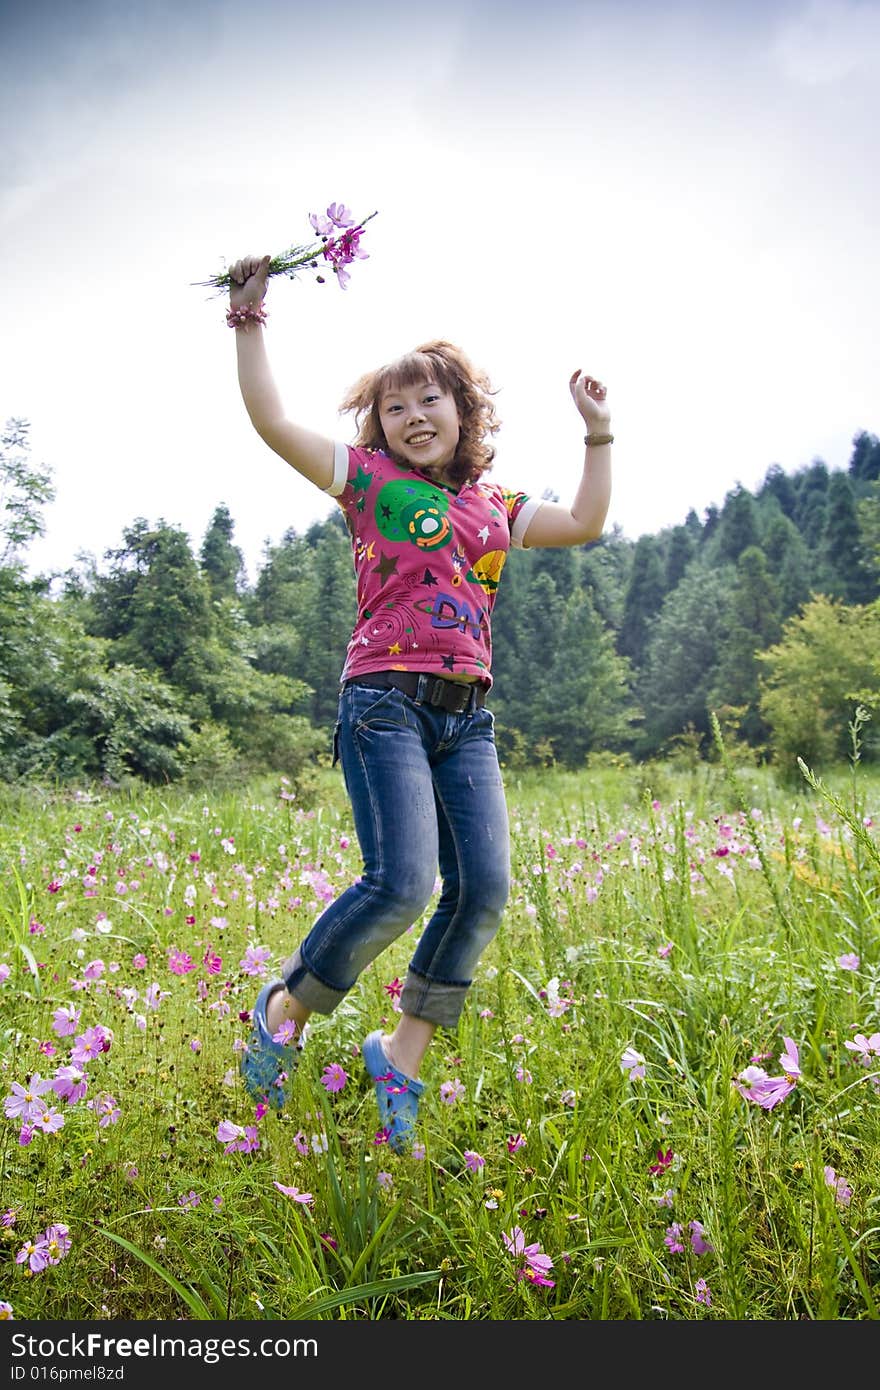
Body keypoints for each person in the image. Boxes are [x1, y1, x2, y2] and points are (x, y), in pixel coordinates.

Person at [228, 252, 613, 1152]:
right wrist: (249, 322)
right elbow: (270, 420)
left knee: (481, 891)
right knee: (402, 883)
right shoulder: (366, 481)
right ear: (379, 430)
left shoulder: (496, 505)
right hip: (383, 704)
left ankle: (400, 1054)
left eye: (428, 401)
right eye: (393, 408)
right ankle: (284, 1011)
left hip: (465, 716)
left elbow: (588, 523)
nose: (410, 417)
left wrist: (598, 434)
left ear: (464, 412)